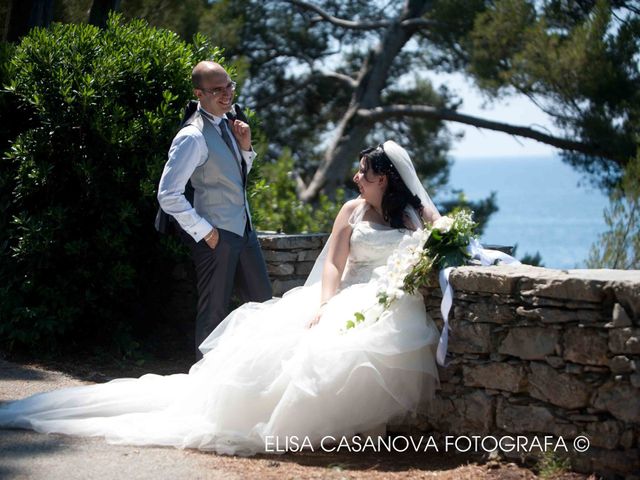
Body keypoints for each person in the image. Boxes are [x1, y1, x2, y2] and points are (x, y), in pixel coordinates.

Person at [0, 141, 442, 455]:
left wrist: (437, 225)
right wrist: (326, 303)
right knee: (310, 352)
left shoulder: (408, 215)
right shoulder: (350, 211)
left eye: (364, 172)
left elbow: (440, 233)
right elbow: (332, 263)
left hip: (383, 300)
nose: (356, 177)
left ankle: (355, 426)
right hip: (344, 294)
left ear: (384, 178)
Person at [157, 61, 272, 360]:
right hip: (216, 236)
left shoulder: (230, 122)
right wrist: (205, 232)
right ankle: (204, 390)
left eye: (229, 86)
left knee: (263, 305)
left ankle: (259, 376)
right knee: (214, 314)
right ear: (199, 93)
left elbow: (234, 177)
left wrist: (246, 148)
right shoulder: (191, 136)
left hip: (244, 231)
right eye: (217, 89)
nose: (226, 94)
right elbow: (168, 194)